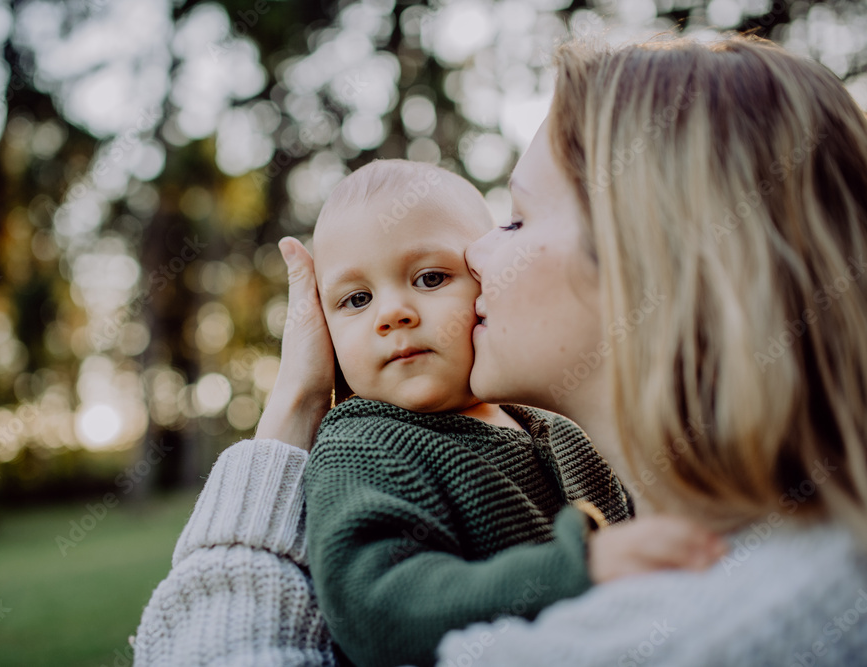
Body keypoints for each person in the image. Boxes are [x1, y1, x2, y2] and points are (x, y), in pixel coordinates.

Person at [133, 33, 867, 666]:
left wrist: (279, 435)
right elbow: (377, 596)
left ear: (651, 262)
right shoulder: (767, 545)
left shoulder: (692, 631)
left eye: (515, 220)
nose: (475, 253)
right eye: (354, 297)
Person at [305, 158, 689, 667]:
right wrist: (577, 568)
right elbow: (376, 607)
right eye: (356, 299)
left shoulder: (562, 430)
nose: (391, 313)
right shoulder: (362, 446)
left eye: (430, 277)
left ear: (487, 282)